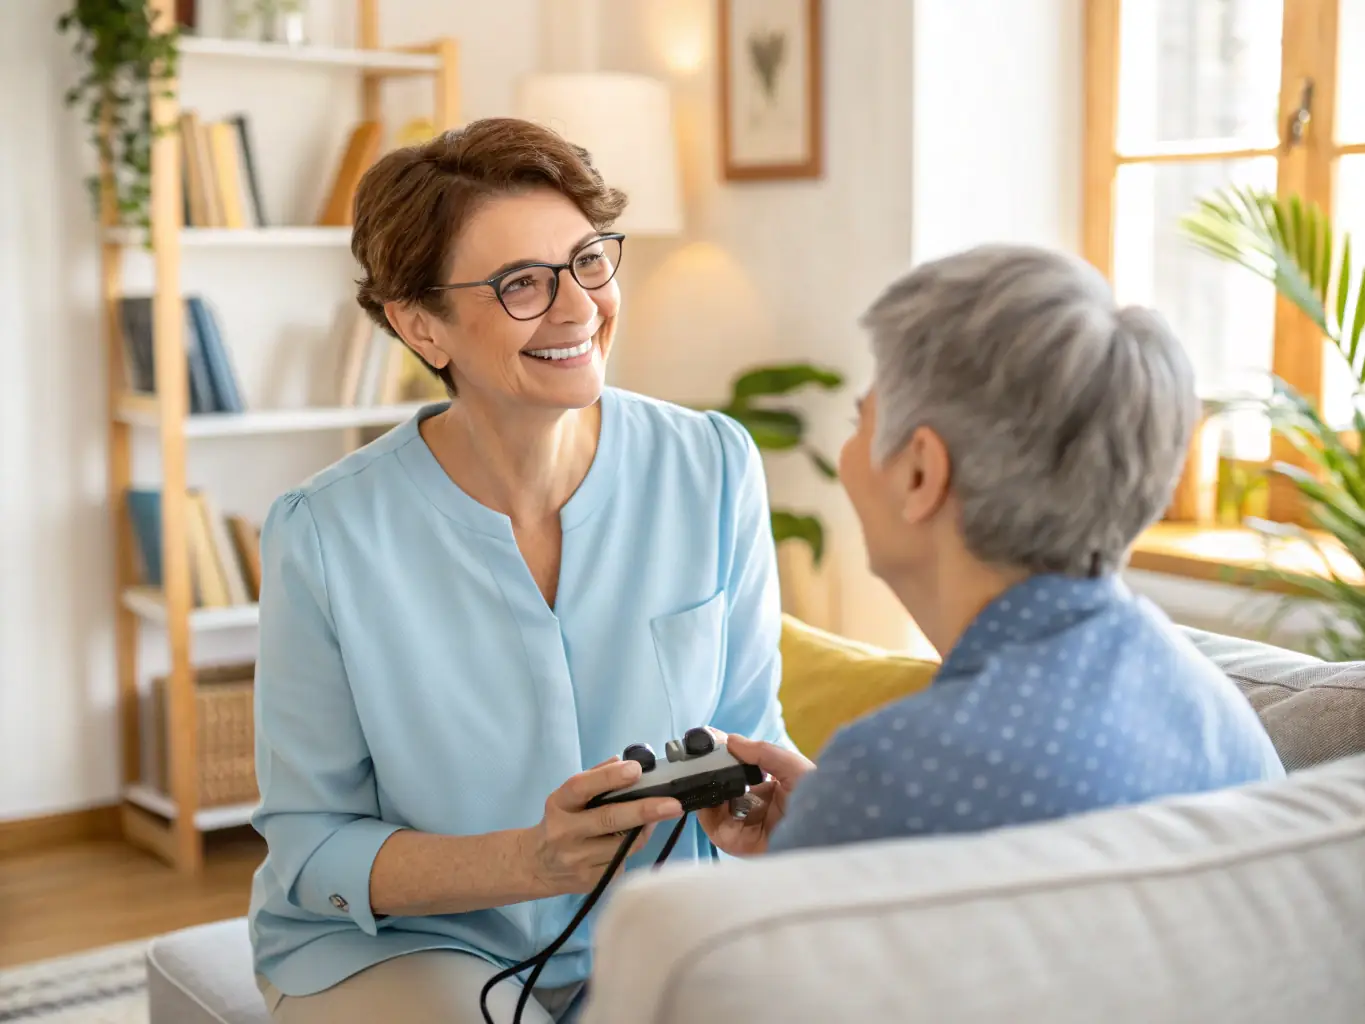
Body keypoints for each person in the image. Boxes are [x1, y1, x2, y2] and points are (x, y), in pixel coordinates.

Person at [247, 118, 791, 1024]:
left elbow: (749, 731)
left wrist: (775, 813)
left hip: (659, 927)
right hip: (411, 941)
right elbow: (311, 846)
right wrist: (528, 861)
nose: (578, 308)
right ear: (420, 324)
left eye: (588, 261)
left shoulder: (712, 465)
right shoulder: (325, 533)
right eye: (522, 284)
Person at [698, 243, 1284, 858]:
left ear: (920, 475)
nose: (849, 454)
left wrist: (831, 827)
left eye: (858, 422)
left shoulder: (897, 774)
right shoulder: (1216, 714)